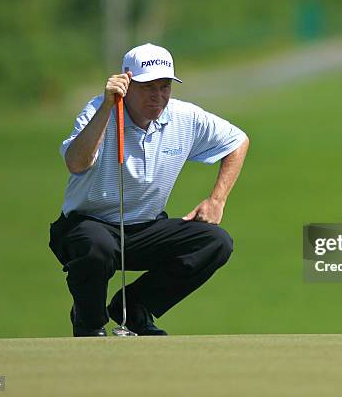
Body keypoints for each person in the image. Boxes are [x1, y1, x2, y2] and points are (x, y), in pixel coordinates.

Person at [48, 43, 249, 337]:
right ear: (127, 85)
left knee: (215, 241)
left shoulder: (185, 117)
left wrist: (217, 199)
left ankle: (135, 308)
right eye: (148, 87)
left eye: (165, 87)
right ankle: (89, 321)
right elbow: (76, 163)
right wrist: (107, 107)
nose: (158, 96)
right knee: (97, 247)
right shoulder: (98, 110)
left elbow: (237, 141)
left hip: (145, 229)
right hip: (87, 227)